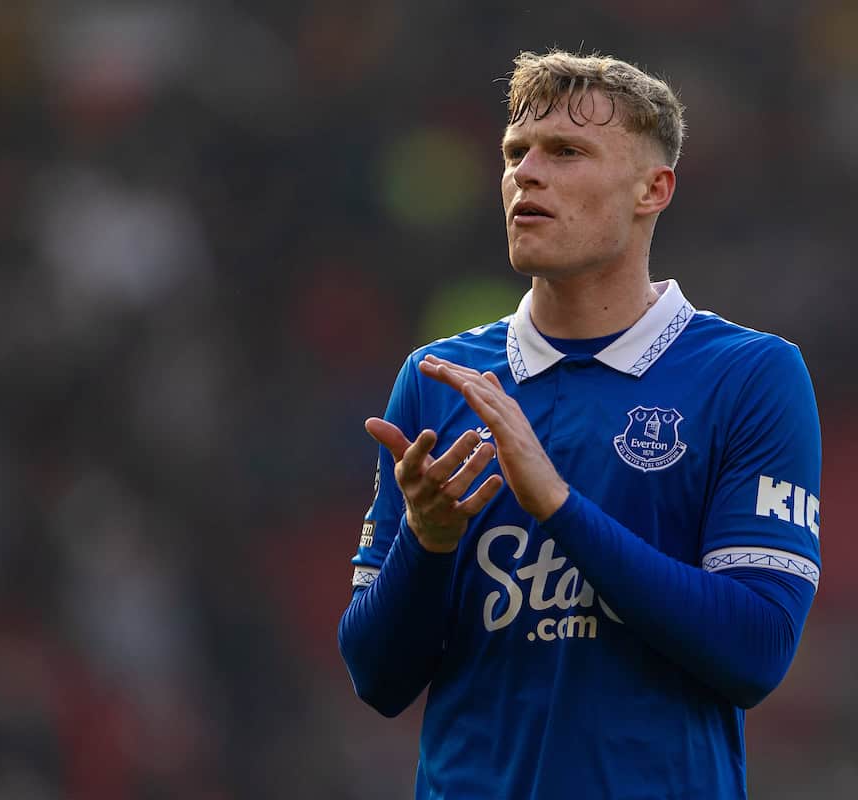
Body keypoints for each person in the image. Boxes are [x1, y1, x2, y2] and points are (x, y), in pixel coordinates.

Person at [339, 50, 822, 799]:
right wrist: (428, 543)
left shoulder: (749, 375)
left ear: (652, 190)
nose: (526, 173)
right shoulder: (438, 382)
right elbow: (377, 676)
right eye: (515, 152)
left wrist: (560, 507)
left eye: (566, 152)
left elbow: (754, 651)